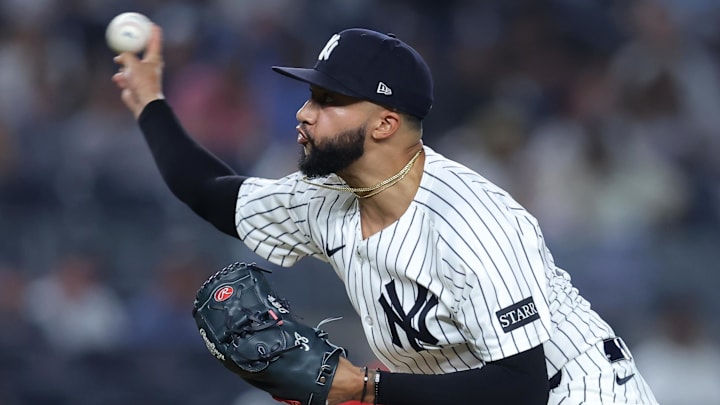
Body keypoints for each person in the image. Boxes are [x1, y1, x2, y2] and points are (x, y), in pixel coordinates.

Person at [112, 24, 658, 405]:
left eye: (328, 100)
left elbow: (519, 388)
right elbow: (210, 190)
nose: (303, 113)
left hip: (583, 393)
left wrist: (365, 388)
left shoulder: (474, 222)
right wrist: (149, 103)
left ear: (385, 124)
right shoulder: (324, 199)